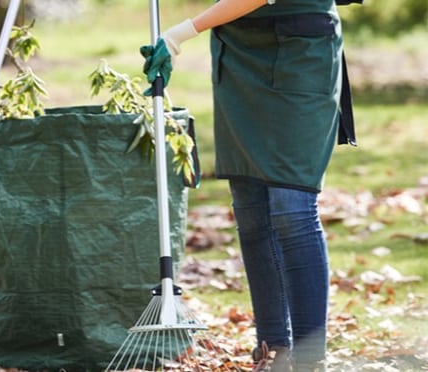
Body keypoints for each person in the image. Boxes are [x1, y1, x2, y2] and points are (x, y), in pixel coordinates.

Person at [142, 0, 357, 371]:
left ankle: (309, 361)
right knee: (251, 207)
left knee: (292, 205)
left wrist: (181, 33)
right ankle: (274, 351)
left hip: (300, 50)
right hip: (239, 49)